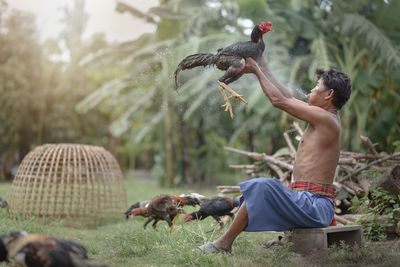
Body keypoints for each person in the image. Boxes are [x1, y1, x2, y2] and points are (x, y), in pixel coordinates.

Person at [197, 55, 352, 254]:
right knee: (255, 193)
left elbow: (279, 101)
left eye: (316, 85)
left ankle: (223, 244)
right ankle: (282, 240)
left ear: (329, 94)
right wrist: (263, 66)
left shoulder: (326, 118)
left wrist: (256, 71)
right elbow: (287, 96)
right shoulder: (322, 116)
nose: (312, 89)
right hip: (305, 201)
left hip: (315, 206)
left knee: (262, 187)